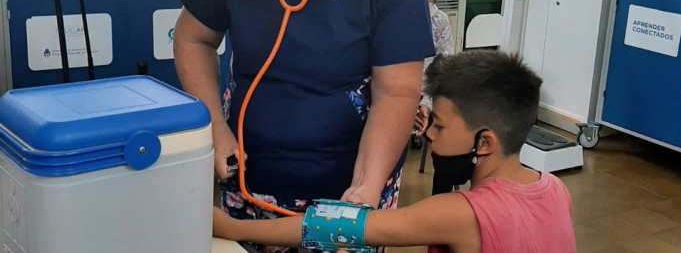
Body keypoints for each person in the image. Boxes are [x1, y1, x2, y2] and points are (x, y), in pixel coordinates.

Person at [173, 0, 435, 251]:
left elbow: (397, 91)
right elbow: (193, 38)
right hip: (246, 177)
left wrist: (366, 187)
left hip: (345, 191)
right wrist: (215, 128)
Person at [212, 50, 576, 253]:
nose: (428, 133)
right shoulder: (555, 190)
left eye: (441, 126)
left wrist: (230, 226)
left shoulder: (461, 213)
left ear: (484, 143)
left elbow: (330, 227)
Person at [411, 0, 454, 149]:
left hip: (427, 87)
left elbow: (444, 61)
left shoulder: (440, 19)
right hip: (397, 88)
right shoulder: (392, 15)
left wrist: (427, 100)